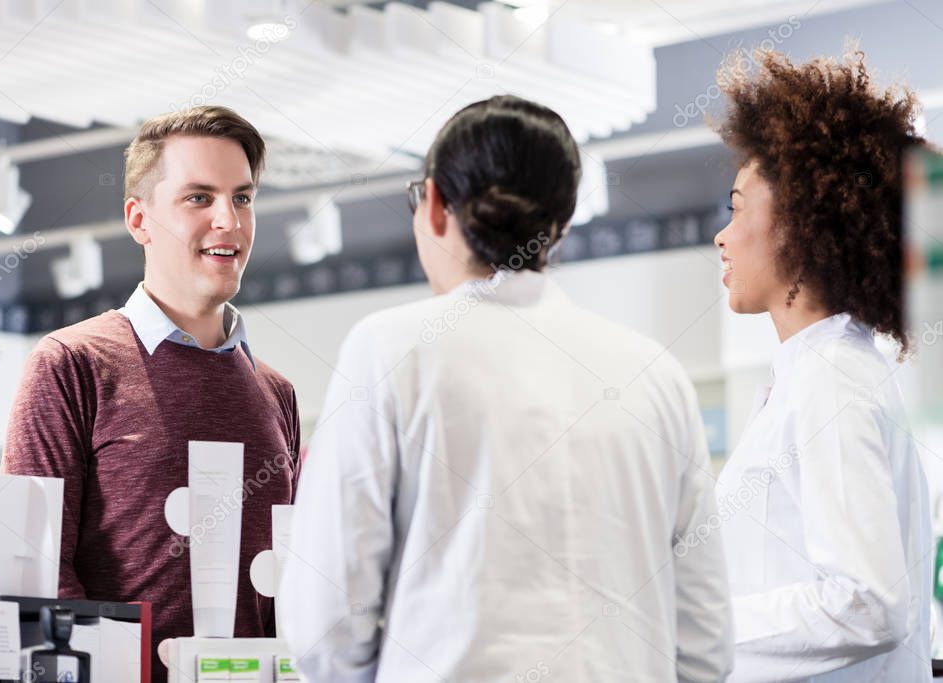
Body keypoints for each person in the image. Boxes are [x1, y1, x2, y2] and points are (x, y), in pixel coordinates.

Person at [277, 95, 733, 682]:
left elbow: (327, 619)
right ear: (563, 222)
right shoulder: (655, 374)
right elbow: (706, 640)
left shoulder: (388, 351)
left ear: (435, 205)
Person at [2, 106, 301, 682]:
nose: (229, 221)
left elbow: (282, 586)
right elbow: (39, 579)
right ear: (139, 219)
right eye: (198, 198)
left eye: (242, 198)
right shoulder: (70, 365)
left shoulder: (276, 393)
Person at [710, 48, 931, 682]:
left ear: (803, 224)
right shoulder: (825, 370)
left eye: (737, 207)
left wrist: (695, 634)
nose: (722, 236)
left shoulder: (832, 376)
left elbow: (868, 604)